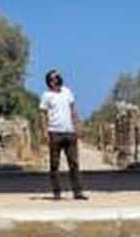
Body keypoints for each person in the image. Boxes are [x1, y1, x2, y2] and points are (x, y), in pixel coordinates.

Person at [38, 68, 87, 200]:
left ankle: (78, 192)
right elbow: (42, 114)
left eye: (58, 77)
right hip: (54, 133)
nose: (57, 79)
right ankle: (57, 192)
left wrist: (78, 126)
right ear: (49, 82)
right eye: (54, 78)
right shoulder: (46, 95)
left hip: (69, 132)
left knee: (74, 163)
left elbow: (73, 110)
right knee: (54, 165)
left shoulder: (67, 92)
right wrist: (44, 132)